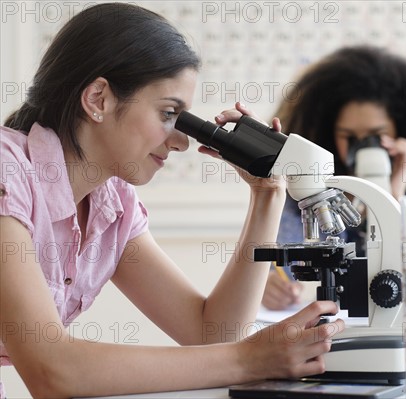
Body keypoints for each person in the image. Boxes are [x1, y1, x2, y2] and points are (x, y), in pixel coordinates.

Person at [0, 3, 345, 398]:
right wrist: (252, 358)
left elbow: (210, 334)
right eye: (168, 113)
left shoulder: (113, 206)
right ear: (98, 99)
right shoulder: (7, 172)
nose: (181, 141)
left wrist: (267, 194)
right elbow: (51, 370)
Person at [262, 45, 406, 310]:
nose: (360, 147)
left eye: (375, 135)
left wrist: (396, 200)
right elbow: (287, 270)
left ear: (402, 129)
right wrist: (270, 286)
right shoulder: (310, 188)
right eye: (349, 137)